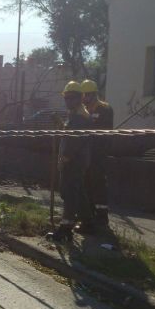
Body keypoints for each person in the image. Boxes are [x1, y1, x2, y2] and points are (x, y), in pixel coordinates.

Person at [47, 81, 94, 242]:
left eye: (71, 98)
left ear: (80, 98)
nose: (68, 101)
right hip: (77, 160)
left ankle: (66, 227)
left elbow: (75, 140)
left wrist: (65, 157)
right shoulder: (76, 114)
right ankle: (88, 222)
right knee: (78, 191)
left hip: (74, 161)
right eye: (66, 98)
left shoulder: (80, 117)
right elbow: (69, 133)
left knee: (69, 192)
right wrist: (60, 124)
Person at [81, 79, 114, 226]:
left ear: (94, 94)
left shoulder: (104, 109)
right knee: (86, 182)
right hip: (87, 153)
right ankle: (89, 212)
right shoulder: (85, 110)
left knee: (98, 182)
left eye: (87, 95)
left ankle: (102, 215)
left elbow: (99, 129)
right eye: (83, 95)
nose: (85, 98)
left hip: (98, 152)